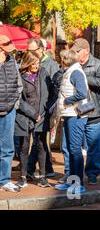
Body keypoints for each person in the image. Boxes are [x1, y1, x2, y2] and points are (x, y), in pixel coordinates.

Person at [71, 38, 100, 185]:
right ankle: (73, 174)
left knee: (94, 146)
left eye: (77, 51)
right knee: (74, 146)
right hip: (76, 112)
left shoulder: (97, 64)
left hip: (93, 112)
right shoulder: (72, 64)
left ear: (86, 51)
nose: (75, 53)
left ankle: (92, 173)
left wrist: (84, 78)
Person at [14, 51, 51, 188]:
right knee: (24, 147)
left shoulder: (44, 73)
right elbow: (18, 99)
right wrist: (33, 114)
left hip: (41, 116)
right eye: (34, 63)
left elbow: (51, 92)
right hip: (24, 116)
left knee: (41, 146)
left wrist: (46, 111)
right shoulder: (20, 76)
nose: (37, 65)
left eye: (38, 62)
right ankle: (23, 177)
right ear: (28, 63)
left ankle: (42, 177)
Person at [54, 49, 88, 194]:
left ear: (65, 60)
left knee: (74, 149)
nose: (60, 61)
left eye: (62, 58)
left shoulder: (76, 73)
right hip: (70, 115)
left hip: (75, 115)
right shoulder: (71, 72)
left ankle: (78, 183)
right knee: (70, 148)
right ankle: (72, 181)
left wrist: (67, 101)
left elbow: (82, 93)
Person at [26, 38, 59, 178]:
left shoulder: (51, 65)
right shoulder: (28, 62)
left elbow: (54, 90)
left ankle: (30, 169)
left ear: (40, 50)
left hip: (45, 111)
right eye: (28, 50)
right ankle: (42, 168)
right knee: (38, 141)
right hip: (32, 110)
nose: (29, 52)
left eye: (32, 50)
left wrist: (49, 110)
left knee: (39, 140)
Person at [0, 35, 22, 192]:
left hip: (9, 109)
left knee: (8, 147)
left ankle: (5, 179)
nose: (8, 53)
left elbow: (18, 84)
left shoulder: (12, 61)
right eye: (5, 50)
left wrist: (15, 103)